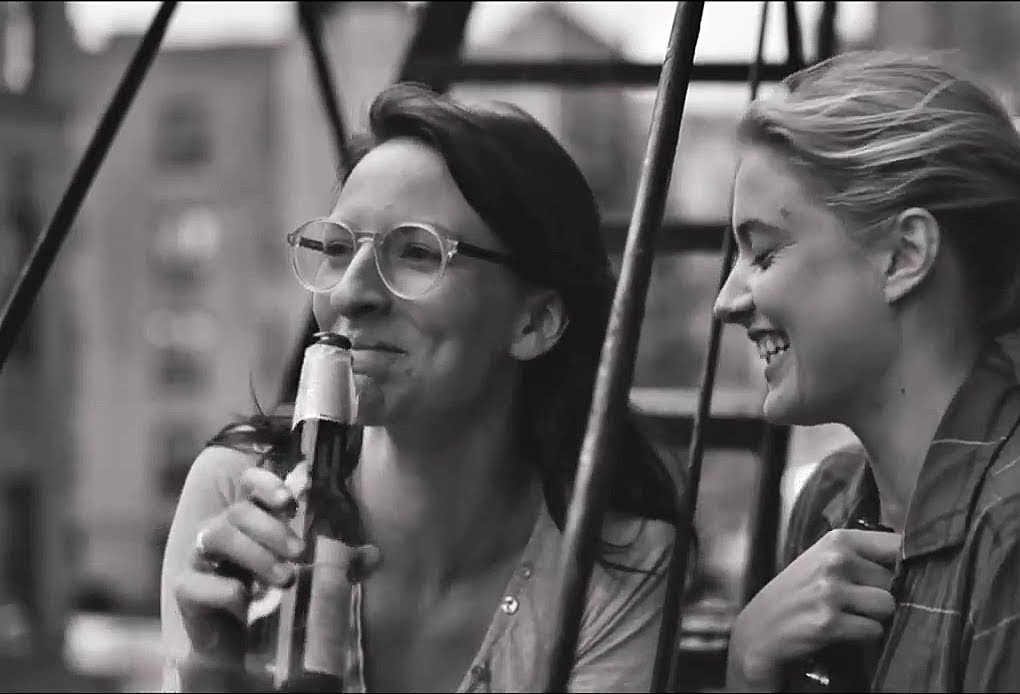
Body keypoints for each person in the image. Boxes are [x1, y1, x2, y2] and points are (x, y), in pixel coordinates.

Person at [159, 83, 681, 693]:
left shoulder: (619, 564)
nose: (351, 293)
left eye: (415, 252)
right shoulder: (237, 496)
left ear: (534, 322)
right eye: (335, 247)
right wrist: (212, 673)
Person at [713, 51, 1020, 692]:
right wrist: (748, 668)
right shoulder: (830, 503)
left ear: (905, 255)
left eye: (764, 254)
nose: (727, 301)